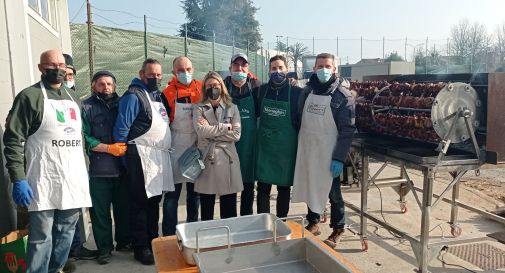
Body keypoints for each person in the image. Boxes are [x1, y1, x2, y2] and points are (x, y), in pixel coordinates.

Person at [3, 49, 91, 273]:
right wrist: (19, 178)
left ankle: (55, 269)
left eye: (61, 65)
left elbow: (78, 139)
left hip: (72, 179)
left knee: (66, 231)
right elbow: (13, 140)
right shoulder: (29, 97)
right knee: (41, 236)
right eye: (51, 65)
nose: (58, 69)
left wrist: (85, 170)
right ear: (41, 68)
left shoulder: (73, 99)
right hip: (43, 178)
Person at [113, 58, 174, 265]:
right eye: (151, 75)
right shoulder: (133, 96)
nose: (155, 78)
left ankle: (152, 240)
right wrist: (123, 159)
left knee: (154, 201)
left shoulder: (158, 96)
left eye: (158, 75)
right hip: (139, 155)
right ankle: (141, 247)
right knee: (139, 203)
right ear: (142, 74)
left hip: (158, 157)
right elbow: (121, 129)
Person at [292, 53, 356, 248]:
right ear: (314, 69)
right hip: (309, 149)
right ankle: (314, 221)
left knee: (333, 192)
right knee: (311, 184)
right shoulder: (307, 91)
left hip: (329, 153)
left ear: (335, 69)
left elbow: (347, 130)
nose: (323, 69)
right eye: (319, 66)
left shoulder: (343, 97)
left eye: (327, 66)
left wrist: (339, 158)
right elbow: (298, 117)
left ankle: (338, 228)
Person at [81, 70, 132, 264]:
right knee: (100, 213)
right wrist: (107, 148)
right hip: (99, 171)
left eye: (110, 84)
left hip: (122, 169)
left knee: (123, 209)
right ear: (94, 86)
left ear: (115, 86)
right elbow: (83, 137)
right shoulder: (86, 107)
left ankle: (124, 241)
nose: (106, 87)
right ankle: (104, 248)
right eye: (101, 84)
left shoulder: (124, 103)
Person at [255, 55, 302, 218]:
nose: (277, 71)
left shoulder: (297, 93)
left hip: (285, 150)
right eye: (274, 68)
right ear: (269, 71)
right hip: (265, 149)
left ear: (287, 70)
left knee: (283, 188)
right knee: (262, 188)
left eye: (281, 68)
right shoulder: (261, 90)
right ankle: (263, 221)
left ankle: (282, 220)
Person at [193, 71, 242, 221]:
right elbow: (201, 131)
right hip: (207, 158)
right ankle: (208, 239)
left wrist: (212, 129)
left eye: (216, 85)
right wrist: (226, 127)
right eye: (209, 85)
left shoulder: (232, 107)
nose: (213, 88)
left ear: (222, 86)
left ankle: (229, 240)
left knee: (229, 209)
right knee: (206, 209)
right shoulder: (198, 108)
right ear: (204, 88)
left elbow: (236, 134)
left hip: (228, 160)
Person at [161, 56, 201, 236]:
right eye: (181, 70)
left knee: (194, 194)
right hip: (175, 148)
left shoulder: (201, 88)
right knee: (171, 197)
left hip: (196, 148)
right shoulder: (167, 93)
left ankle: (192, 230)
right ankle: (169, 234)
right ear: (173, 73)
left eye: (189, 69)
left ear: (194, 69)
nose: (186, 73)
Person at [224, 53, 261, 216]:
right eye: (236, 65)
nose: (239, 68)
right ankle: (229, 221)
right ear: (230, 68)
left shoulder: (257, 86)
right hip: (227, 143)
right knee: (228, 184)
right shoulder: (223, 86)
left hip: (249, 144)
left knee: (248, 185)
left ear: (248, 68)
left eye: (243, 65)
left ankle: (246, 220)